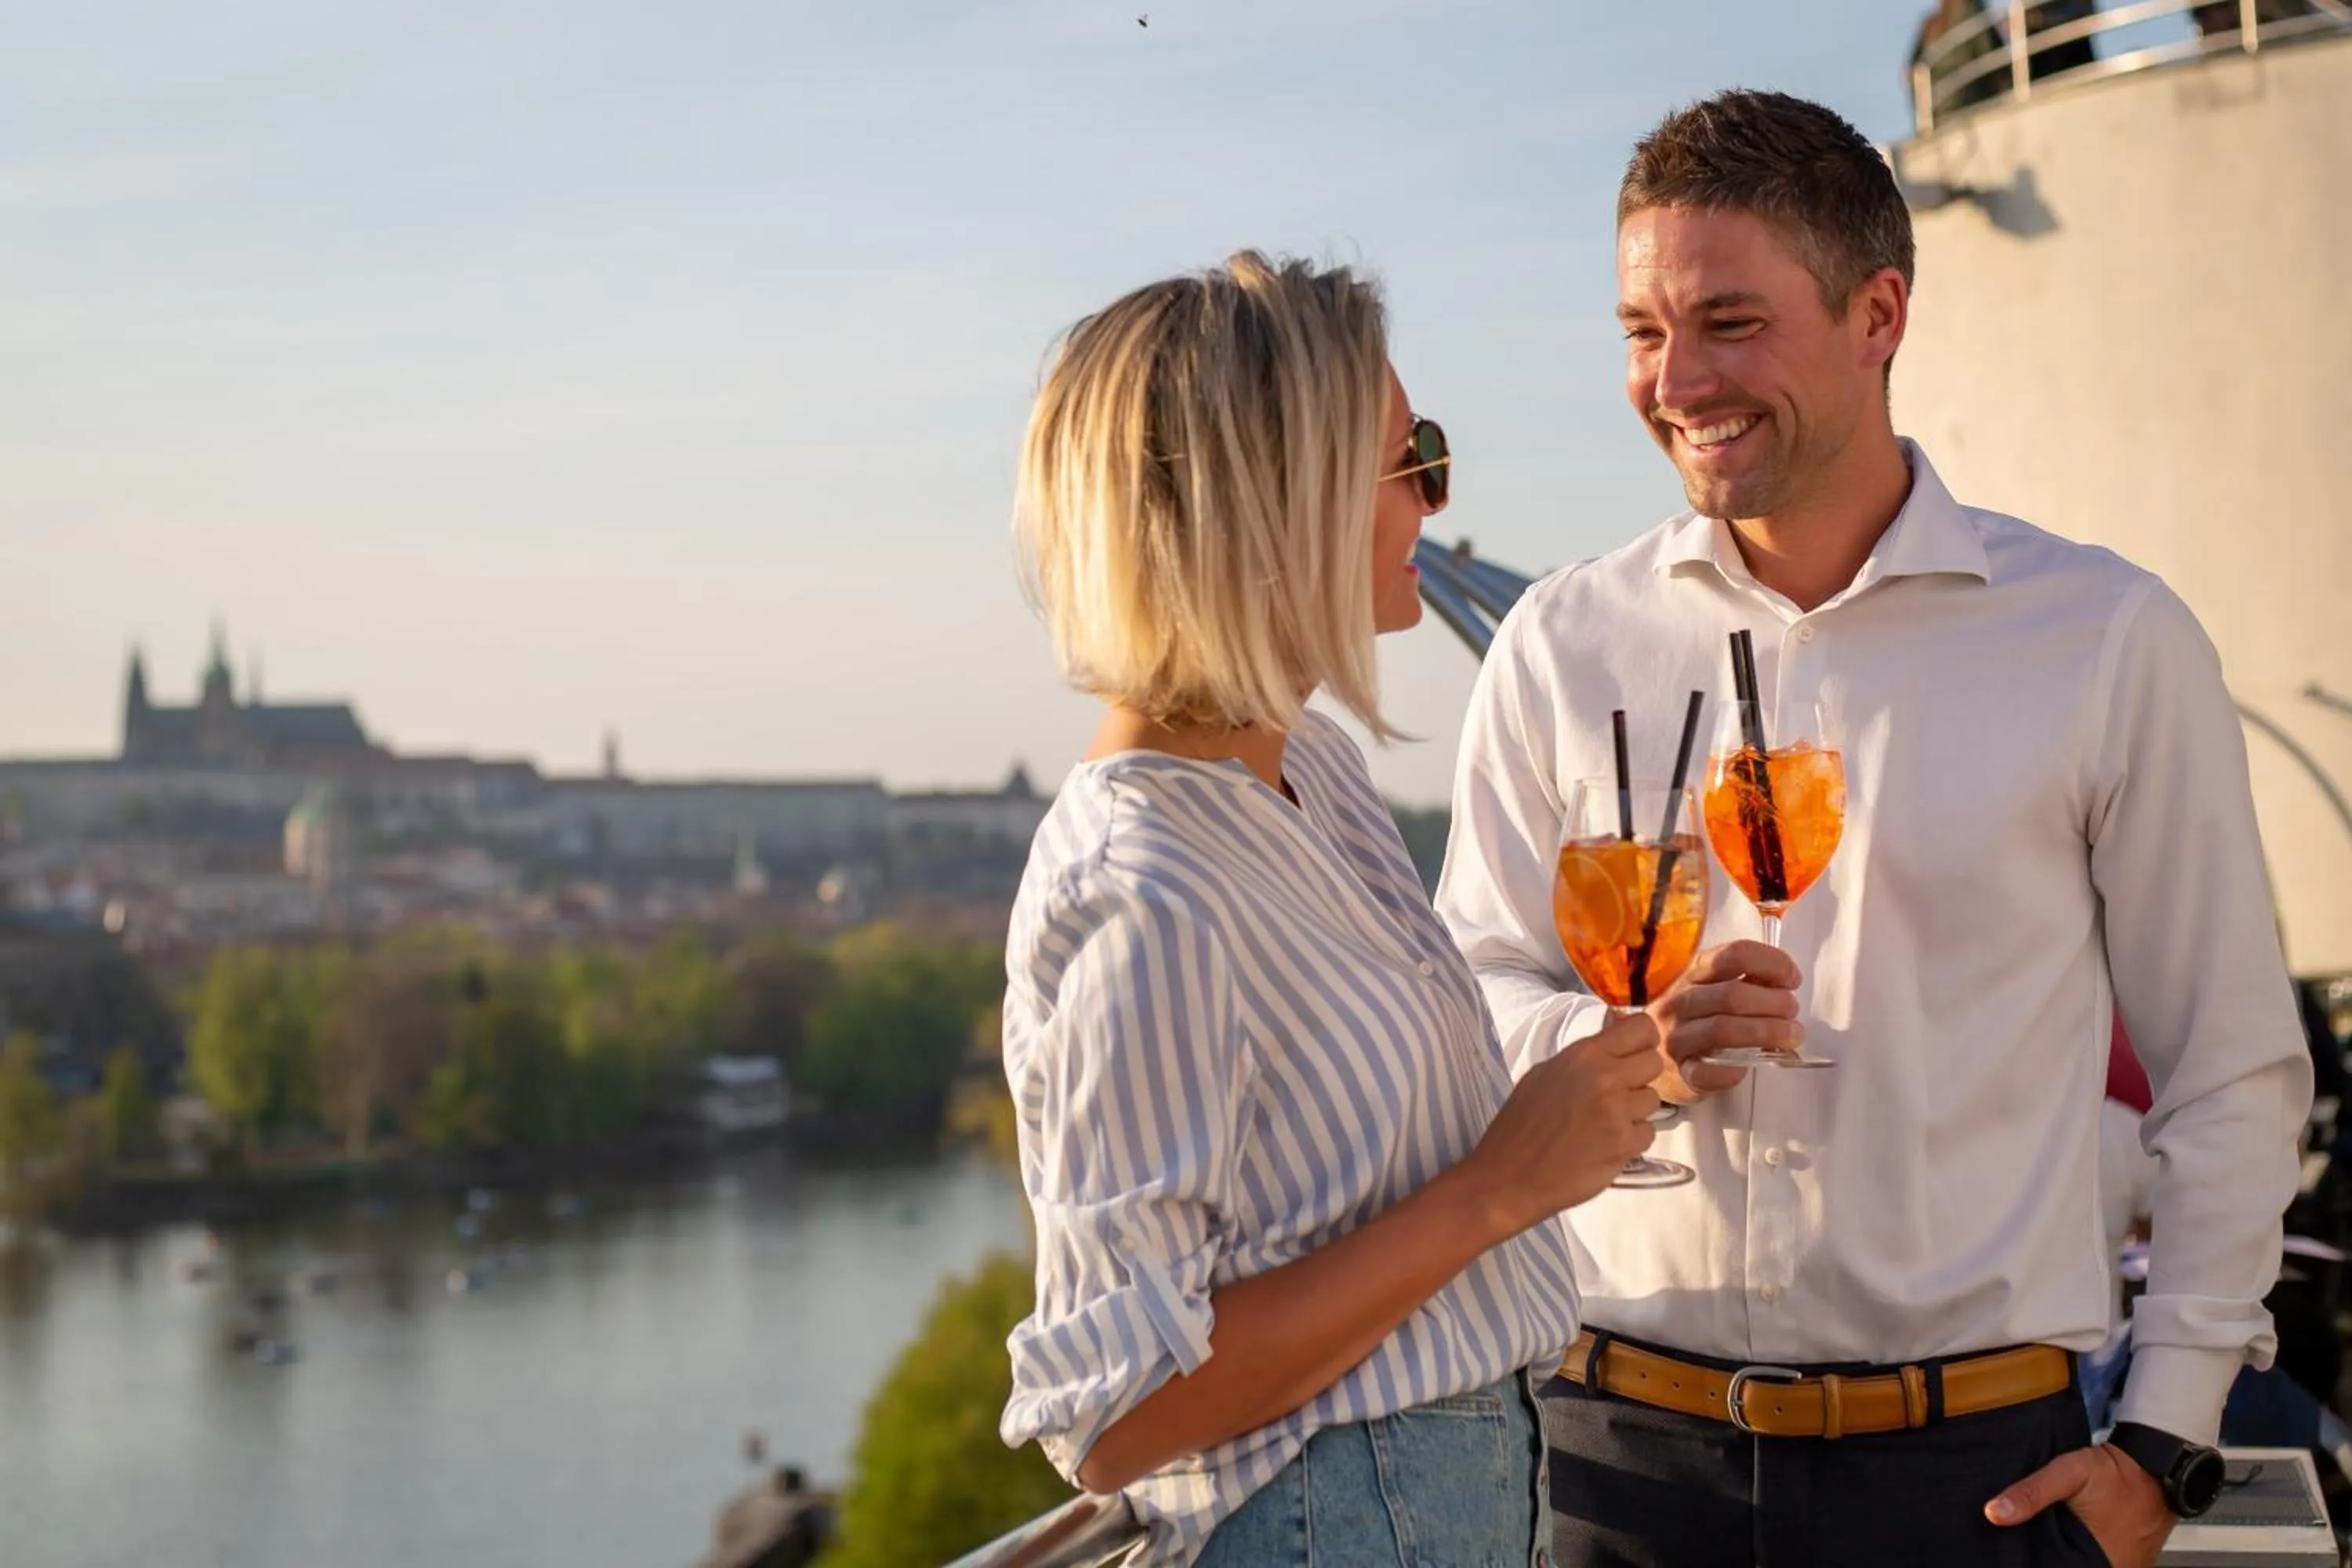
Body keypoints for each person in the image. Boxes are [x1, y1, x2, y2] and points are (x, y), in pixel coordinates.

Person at [1435, 89, 2313, 1568]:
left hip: (1973, 1488)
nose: (1676, 381)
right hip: (1611, 1472)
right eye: (1644, 331)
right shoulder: (1559, 645)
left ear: (1879, 315)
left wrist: (2165, 1439)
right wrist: (1629, 1052)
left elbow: (2231, 1070)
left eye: (1729, 323)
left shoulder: (2105, 640)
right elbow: (1470, 1001)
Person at [996, 251, 1668, 1566]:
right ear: (1277, 505)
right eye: (1410, 458)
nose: (1438, 495)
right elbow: (1120, 1414)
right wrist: (1499, 1188)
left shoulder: (1315, 776)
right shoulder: (1142, 879)